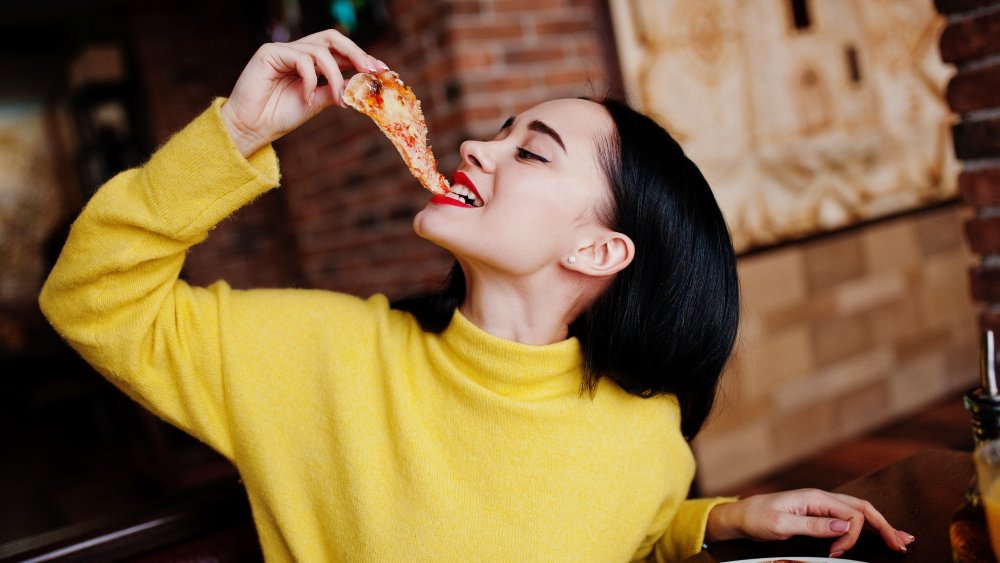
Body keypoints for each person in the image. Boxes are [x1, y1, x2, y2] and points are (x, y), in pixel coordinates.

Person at [39, 29, 914, 562]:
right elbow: (90, 299)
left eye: (529, 151)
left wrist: (715, 522)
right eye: (497, 132)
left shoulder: (647, 437)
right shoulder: (318, 354)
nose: (473, 149)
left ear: (600, 248)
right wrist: (234, 132)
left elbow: (608, 527)